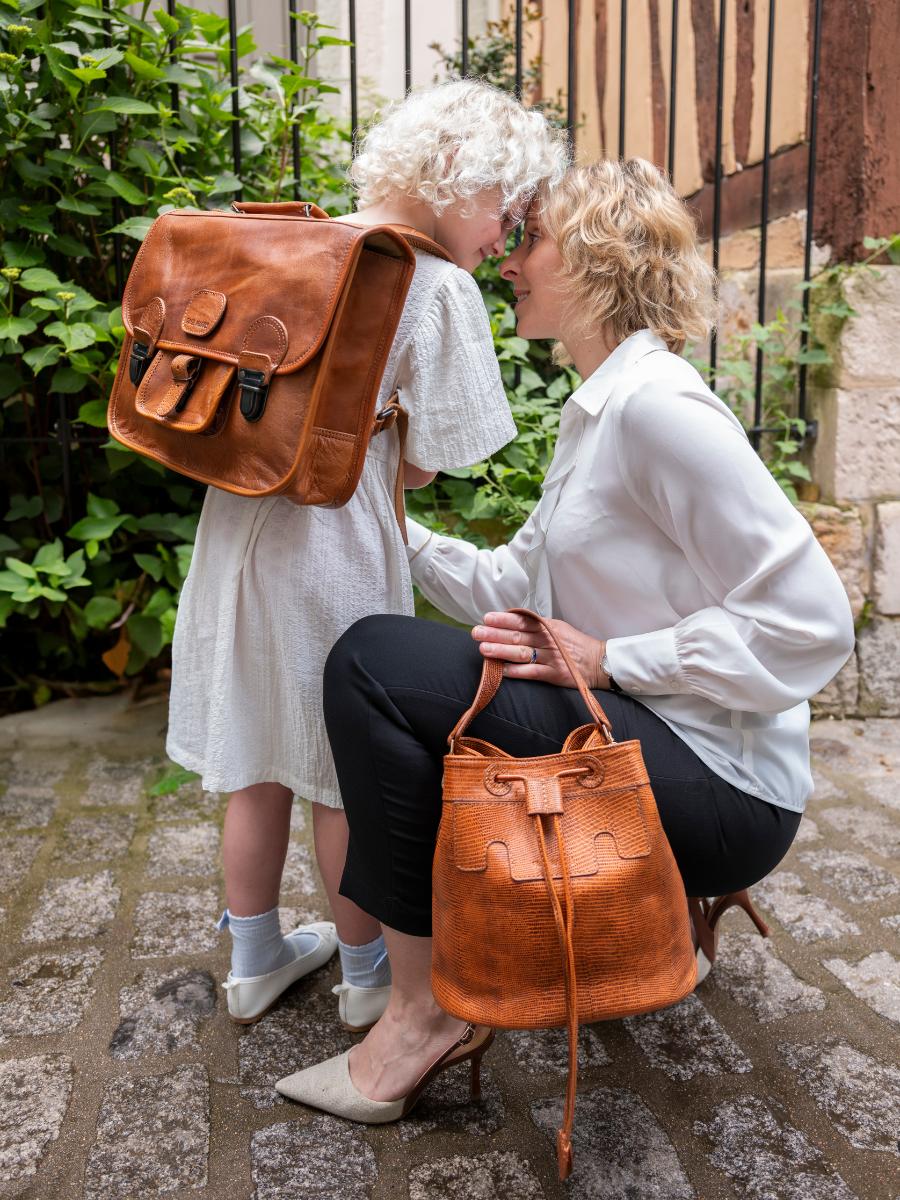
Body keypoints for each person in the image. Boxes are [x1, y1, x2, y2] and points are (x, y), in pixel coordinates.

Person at [275, 158, 855, 1119]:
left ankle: (423, 1012)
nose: (509, 260)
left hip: (730, 792)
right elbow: (512, 584)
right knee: (394, 660)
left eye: (531, 239)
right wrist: (380, 517)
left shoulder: (657, 410)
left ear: (595, 259)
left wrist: (614, 660)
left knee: (374, 664)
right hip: (659, 739)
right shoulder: (601, 412)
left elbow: (811, 620)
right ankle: (479, 960)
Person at [165, 80, 567, 1029]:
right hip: (334, 554)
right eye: (504, 210)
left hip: (235, 536)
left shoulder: (291, 242)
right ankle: (365, 976)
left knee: (255, 758)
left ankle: (255, 959)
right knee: (342, 768)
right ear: (460, 181)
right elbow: (430, 463)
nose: (504, 238)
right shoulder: (433, 287)